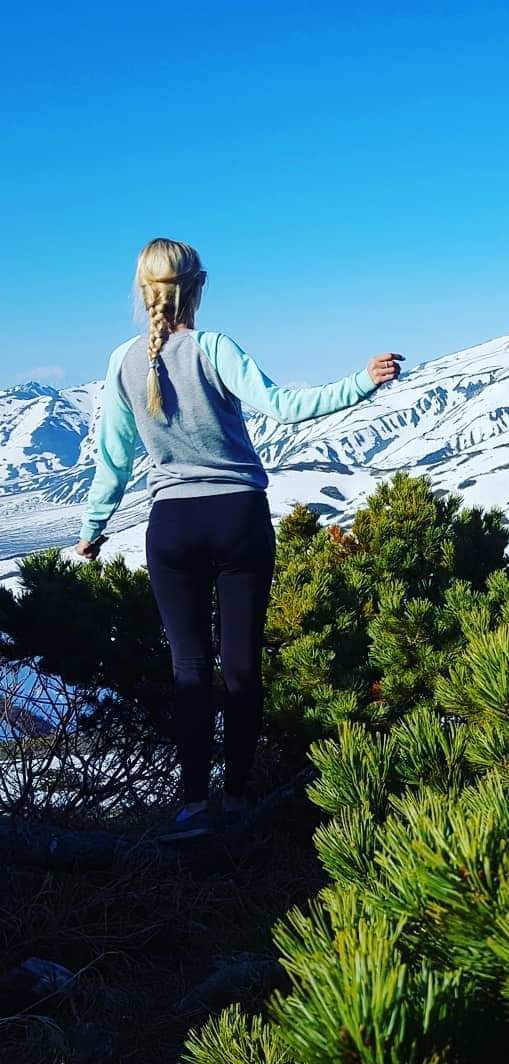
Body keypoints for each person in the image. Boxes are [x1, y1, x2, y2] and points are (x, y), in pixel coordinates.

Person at [76, 237, 401, 840]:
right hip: (239, 518)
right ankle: (237, 797)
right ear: (198, 287)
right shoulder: (213, 347)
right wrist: (361, 382)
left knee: (190, 670)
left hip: (170, 527)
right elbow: (286, 407)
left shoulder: (120, 361)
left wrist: (92, 531)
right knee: (242, 670)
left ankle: (191, 804)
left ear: (142, 292)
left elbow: (113, 463)